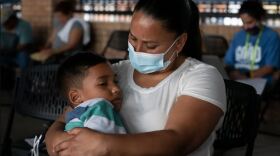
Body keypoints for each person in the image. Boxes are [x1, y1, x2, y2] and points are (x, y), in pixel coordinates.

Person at [46, 0, 226, 155]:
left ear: (179, 42)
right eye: (132, 38)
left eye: (150, 45)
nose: (137, 50)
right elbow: (66, 118)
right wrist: (56, 141)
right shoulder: (114, 73)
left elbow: (178, 142)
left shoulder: (201, 77)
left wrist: (102, 145)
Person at [56, 52, 126, 134]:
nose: (116, 88)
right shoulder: (100, 108)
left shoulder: (75, 117)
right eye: (103, 84)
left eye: (116, 81)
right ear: (76, 97)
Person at [224, 1, 280, 84]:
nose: (245, 27)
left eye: (250, 22)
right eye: (243, 23)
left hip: (260, 82)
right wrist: (234, 75)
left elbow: (270, 67)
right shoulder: (238, 36)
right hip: (237, 81)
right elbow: (228, 62)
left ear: (261, 18)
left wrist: (246, 76)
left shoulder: (272, 37)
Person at [0, 4, 33, 69]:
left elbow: (23, 46)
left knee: (24, 56)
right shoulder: (1, 26)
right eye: (3, 23)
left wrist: (7, 50)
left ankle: (23, 76)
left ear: (13, 19)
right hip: (3, 54)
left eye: (6, 23)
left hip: (18, 54)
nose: (4, 25)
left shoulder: (24, 26)